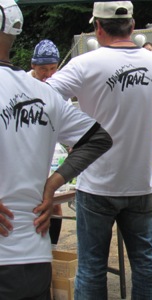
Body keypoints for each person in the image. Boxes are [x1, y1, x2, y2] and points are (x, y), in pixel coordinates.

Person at [47, 1, 152, 299]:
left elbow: (42, 99)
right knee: (145, 263)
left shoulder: (85, 64)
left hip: (97, 185)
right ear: (133, 26)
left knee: (91, 267)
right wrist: (149, 120)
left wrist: (74, 132)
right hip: (140, 186)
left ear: (98, 28)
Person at [0, 0, 112, 299]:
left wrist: (52, 184)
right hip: (33, 255)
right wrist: (53, 184)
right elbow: (98, 138)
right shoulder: (43, 94)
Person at [28, 38, 64, 247]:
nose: (49, 74)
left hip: (53, 154)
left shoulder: (58, 85)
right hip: (29, 154)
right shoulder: (21, 84)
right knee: (32, 204)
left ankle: (52, 250)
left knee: (55, 205)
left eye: (53, 68)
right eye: (43, 69)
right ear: (33, 66)